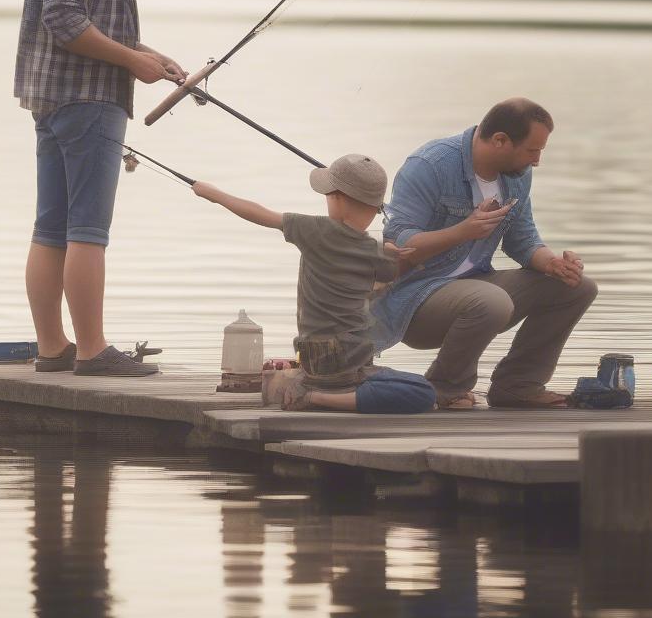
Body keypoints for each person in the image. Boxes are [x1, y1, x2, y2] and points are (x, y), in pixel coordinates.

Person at [13, 0, 187, 377]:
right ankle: (91, 351)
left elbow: (86, 17)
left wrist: (147, 53)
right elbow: (63, 18)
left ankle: (53, 347)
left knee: (52, 227)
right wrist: (130, 63)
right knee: (87, 229)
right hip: (86, 99)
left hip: (58, 95)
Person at [376, 97, 598, 409]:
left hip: (476, 285)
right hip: (415, 299)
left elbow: (522, 239)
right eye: (532, 150)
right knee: (491, 301)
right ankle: (444, 388)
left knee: (578, 287)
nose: (536, 161)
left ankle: (517, 385)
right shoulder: (430, 165)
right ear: (500, 141)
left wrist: (553, 263)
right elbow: (398, 242)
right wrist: (462, 231)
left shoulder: (517, 174)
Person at [193, 155, 437, 414]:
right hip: (347, 364)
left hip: (313, 359)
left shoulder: (313, 230)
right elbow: (387, 279)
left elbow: (261, 214)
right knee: (424, 392)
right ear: (376, 209)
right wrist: (391, 252)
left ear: (338, 200)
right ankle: (319, 397)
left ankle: (310, 387)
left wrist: (215, 195)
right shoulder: (374, 251)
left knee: (415, 391)